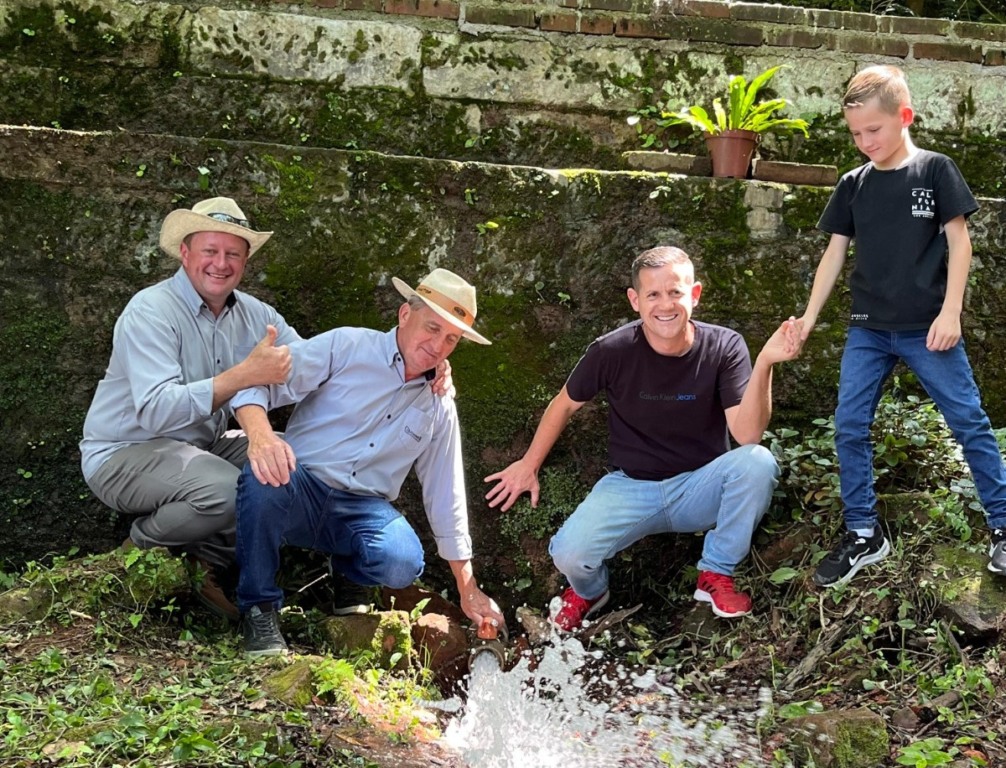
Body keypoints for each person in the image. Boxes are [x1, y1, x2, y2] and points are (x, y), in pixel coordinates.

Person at [485, 246, 800, 630]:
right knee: (570, 553)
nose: (665, 305)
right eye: (653, 294)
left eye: (675, 292)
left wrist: (765, 362)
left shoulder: (725, 346)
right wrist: (528, 464)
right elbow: (564, 404)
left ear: (694, 295)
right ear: (635, 300)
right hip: (630, 488)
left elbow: (747, 435)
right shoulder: (611, 350)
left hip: (700, 487)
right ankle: (589, 592)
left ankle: (716, 573)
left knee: (758, 461)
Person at [793, 65, 1006, 588]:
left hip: (927, 327)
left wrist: (951, 311)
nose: (865, 142)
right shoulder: (853, 185)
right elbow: (834, 254)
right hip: (868, 329)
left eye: (875, 130)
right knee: (848, 424)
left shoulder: (935, 171)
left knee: (968, 421)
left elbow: (960, 244)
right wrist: (809, 317)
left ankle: (1003, 525)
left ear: (904, 117)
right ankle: (864, 533)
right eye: (856, 134)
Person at [230, 268, 505, 656]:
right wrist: (261, 437)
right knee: (262, 478)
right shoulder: (346, 346)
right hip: (300, 483)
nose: (438, 346)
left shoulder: (439, 402)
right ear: (404, 315)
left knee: (402, 561)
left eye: (451, 339)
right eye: (432, 328)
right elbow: (256, 383)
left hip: (361, 509)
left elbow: (447, 494)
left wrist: (468, 588)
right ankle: (258, 610)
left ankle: (347, 575)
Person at [80, 197, 297, 621]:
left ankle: (205, 563)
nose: (221, 263)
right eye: (210, 251)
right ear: (185, 253)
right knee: (225, 489)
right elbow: (157, 412)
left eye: (232, 253)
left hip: (203, 448)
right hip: (123, 453)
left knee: (296, 461)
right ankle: (139, 551)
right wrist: (244, 375)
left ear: (245, 260)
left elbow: (318, 364)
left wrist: (416, 368)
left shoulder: (257, 315)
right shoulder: (150, 310)